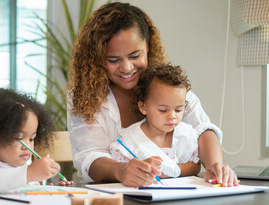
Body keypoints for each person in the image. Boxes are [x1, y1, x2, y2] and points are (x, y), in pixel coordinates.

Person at [67, 2, 238, 187]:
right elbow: (90, 155)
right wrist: (121, 170)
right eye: (114, 60)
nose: (127, 68)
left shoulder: (165, 86)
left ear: (148, 47)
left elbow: (202, 129)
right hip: (113, 198)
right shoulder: (84, 97)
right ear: (98, 59)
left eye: (134, 56)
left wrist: (215, 165)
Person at [110, 64, 201, 179]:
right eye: (163, 110)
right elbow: (122, 171)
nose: (172, 116)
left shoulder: (186, 135)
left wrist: (171, 172)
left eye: (178, 110)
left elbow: (195, 166)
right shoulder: (129, 142)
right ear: (143, 107)